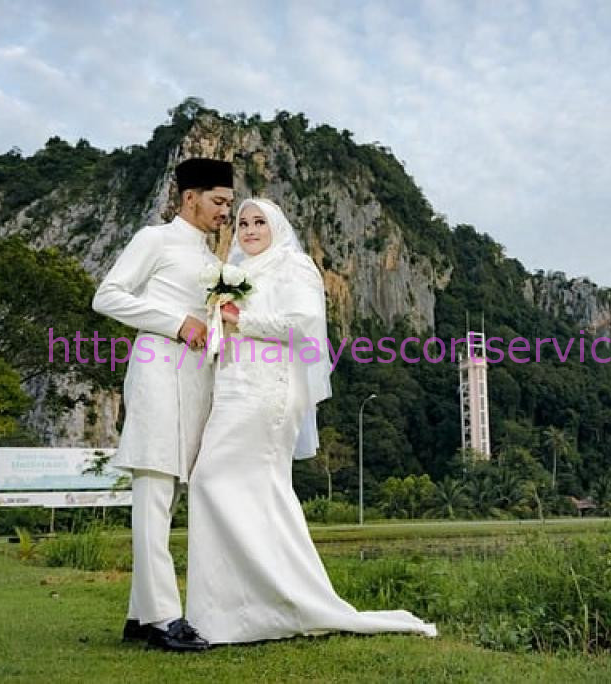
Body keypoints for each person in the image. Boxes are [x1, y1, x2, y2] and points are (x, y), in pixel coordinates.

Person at [185, 198, 437, 644]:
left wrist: (242, 318)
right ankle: (240, 612)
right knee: (254, 491)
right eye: (242, 223)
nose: (249, 229)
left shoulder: (295, 266)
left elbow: (304, 325)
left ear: (277, 226)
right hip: (233, 387)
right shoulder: (234, 274)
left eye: (259, 221)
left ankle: (255, 606)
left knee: (214, 480)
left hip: (269, 390)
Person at [92, 158, 234, 652]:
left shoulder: (213, 260)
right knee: (153, 496)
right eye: (218, 202)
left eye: (229, 205)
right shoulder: (154, 239)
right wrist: (175, 322)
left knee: (165, 499)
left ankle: (138, 616)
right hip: (156, 373)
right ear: (189, 197)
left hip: (196, 383)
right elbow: (107, 296)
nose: (224, 212)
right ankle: (162, 620)